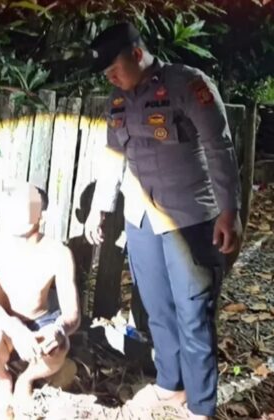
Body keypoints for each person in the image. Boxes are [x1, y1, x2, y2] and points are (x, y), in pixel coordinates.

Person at [85, 23, 242, 419]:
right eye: (106, 74)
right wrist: (100, 207)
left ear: (138, 54)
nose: (111, 78)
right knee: (157, 308)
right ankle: (171, 384)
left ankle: (201, 405)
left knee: (194, 312)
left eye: (115, 69)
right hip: (141, 219)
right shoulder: (117, 101)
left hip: (189, 217)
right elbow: (113, 156)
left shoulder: (188, 85)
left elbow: (219, 147)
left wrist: (229, 211)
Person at [0, 180, 80, 418]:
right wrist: (15, 329)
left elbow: (72, 313)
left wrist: (59, 329)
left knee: (59, 345)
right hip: (1, 322)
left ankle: (27, 379)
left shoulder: (58, 253)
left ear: (41, 215)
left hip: (39, 322)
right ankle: (4, 380)